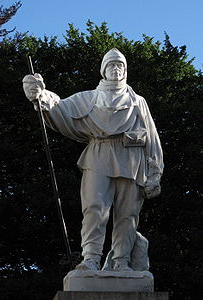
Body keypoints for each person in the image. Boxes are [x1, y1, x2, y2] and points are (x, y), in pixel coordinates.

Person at [23, 48, 163, 272]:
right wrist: (40, 94)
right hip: (98, 155)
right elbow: (60, 107)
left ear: (125, 71)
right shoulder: (89, 98)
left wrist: (155, 173)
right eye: (111, 65)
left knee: (128, 215)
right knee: (94, 209)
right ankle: (90, 258)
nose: (116, 69)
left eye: (120, 65)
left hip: (132, 159)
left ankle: (121, 261)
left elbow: (152, 138)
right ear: (103, 70)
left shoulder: (138, 102)